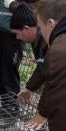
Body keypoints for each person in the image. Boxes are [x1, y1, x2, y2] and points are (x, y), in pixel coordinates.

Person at [26, 0, 66, 130]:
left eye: (40, 27)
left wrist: (43, 113)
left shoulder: (58, 49)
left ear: (50, 24)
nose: (41, 33)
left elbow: (57, 100)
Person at [10, 2, 48, 129]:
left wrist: (43, 112)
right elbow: (43, 66)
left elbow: (56, 79)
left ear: (26, 28)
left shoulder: (48, 39)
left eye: (17, 33)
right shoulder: (36, 38)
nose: (17, 37)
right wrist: (29, 88)